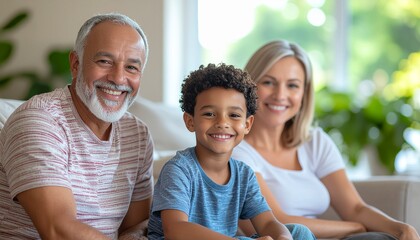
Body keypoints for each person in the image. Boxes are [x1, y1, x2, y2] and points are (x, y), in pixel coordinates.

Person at [231, 40, 420, 240]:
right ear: (249, 87)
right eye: (268, 82)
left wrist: (401, 229)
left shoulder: (314, 141)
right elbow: (276, 222)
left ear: (304, 93)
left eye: (293, 85)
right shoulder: (235, 150)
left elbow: (355, 208)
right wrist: (355, 228)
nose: (281, 95)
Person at [0, 13, 153, 239]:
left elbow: (137, 225)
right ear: (75, 63)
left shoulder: (137, 134)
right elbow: (57, 230)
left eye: (131, 67)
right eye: (104, 61)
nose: (119, 78)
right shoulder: (38, 121)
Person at [147, 63, 316, 240]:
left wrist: (283, 238)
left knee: (299, 232)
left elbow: (266, 223)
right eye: (209, 114)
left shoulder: (244, 174)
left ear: (247, 124)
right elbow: (176, 230)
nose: (222, 123)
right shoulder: (179, 170)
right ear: (190, 121)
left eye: (234, 115)